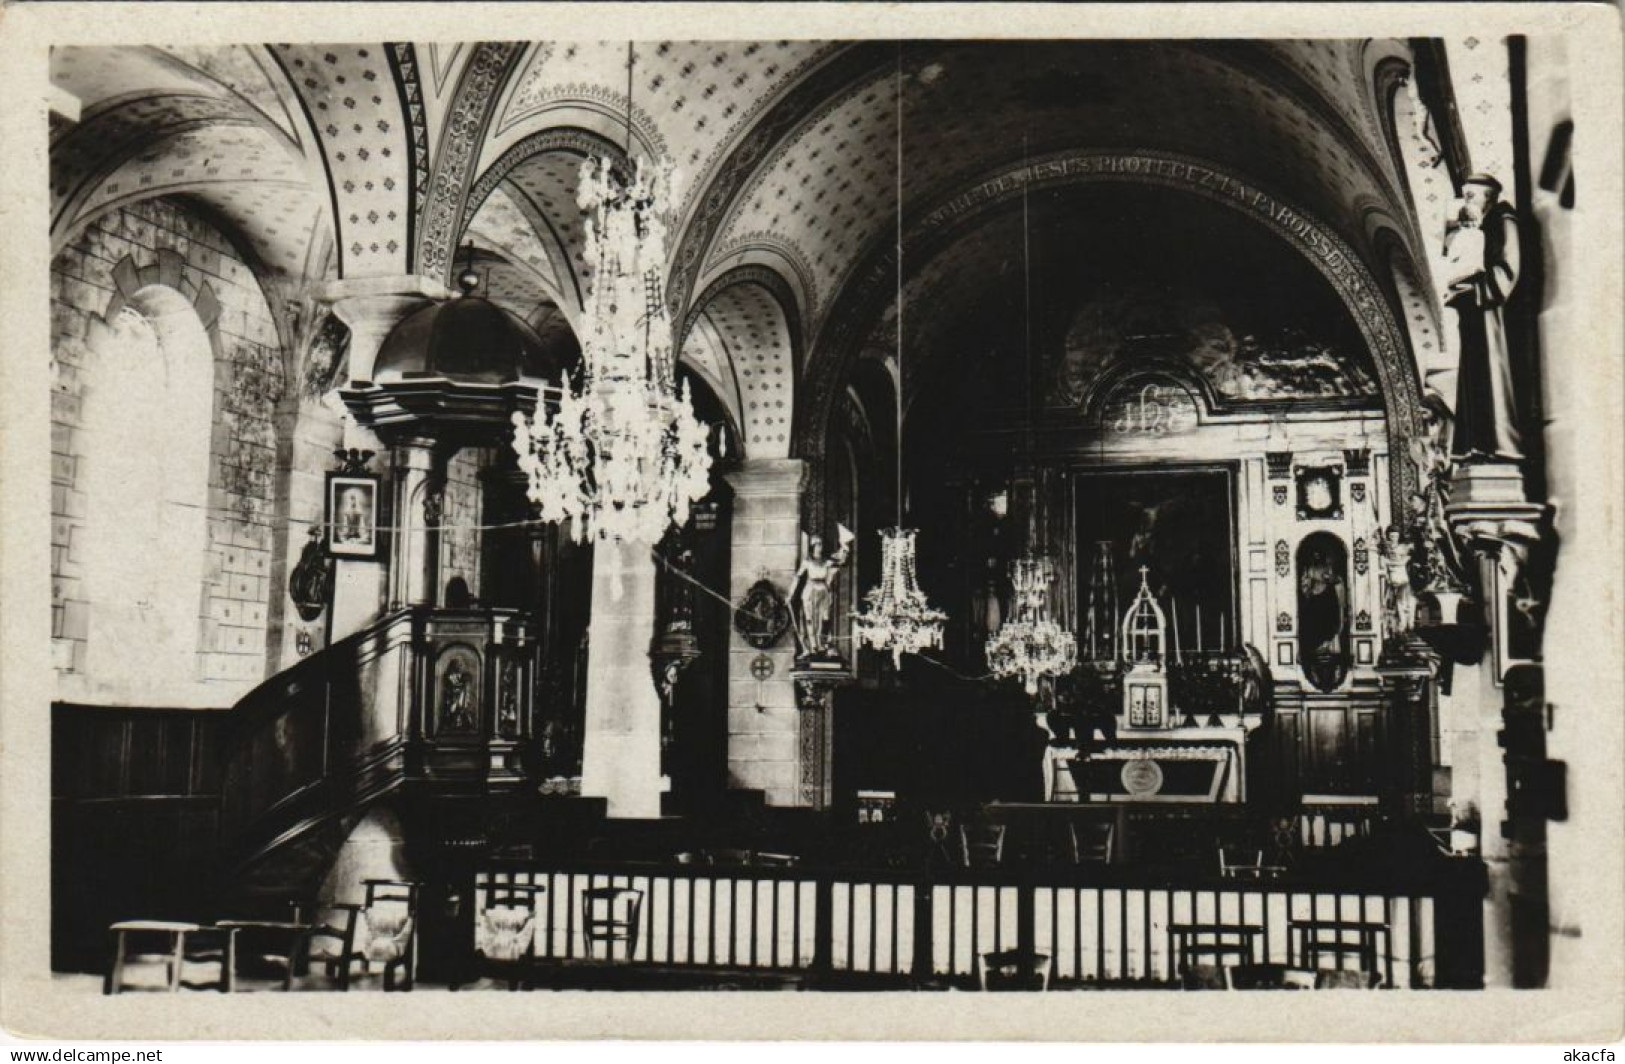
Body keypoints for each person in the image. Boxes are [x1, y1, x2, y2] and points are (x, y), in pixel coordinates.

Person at [1445, 173, 1523, 461]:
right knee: (1476, 377)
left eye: (1471, 196)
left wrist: (1475, 291)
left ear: (1489, 196)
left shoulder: (1503, 222)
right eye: (1465, 196)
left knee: (1493, 377)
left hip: (1493, 319)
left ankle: (1500, 444)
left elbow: (1508, 271)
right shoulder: (1479, 228)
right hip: (1478, 315)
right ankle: (1479, 444)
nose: (1465, 202)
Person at [791, 525, 854, 661]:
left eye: (820, 544)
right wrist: (790, 594)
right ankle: (811, 647)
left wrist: (844, 547)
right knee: (810, 620)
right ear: (812, 546)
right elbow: (797, 576)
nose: (819, 547)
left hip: (823, 592)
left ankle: (821, 645)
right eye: (817, 544)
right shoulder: (807, 561)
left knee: (823, 619)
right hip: (810, 592)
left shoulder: (826, 561)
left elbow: (842, 562)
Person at [1378, 525, 1417, 640]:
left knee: (1403, 603)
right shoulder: (1386, 548)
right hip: (1390, 578)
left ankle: (1405, 625)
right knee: (1389, 603)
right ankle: (1391, 630)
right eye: (1391, 536)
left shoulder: (1403, 548)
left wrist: (1389, 562)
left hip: (1402, 577)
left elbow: (1403, 562)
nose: (1393, 537)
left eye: (1395, 535)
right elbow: (1382, 561)